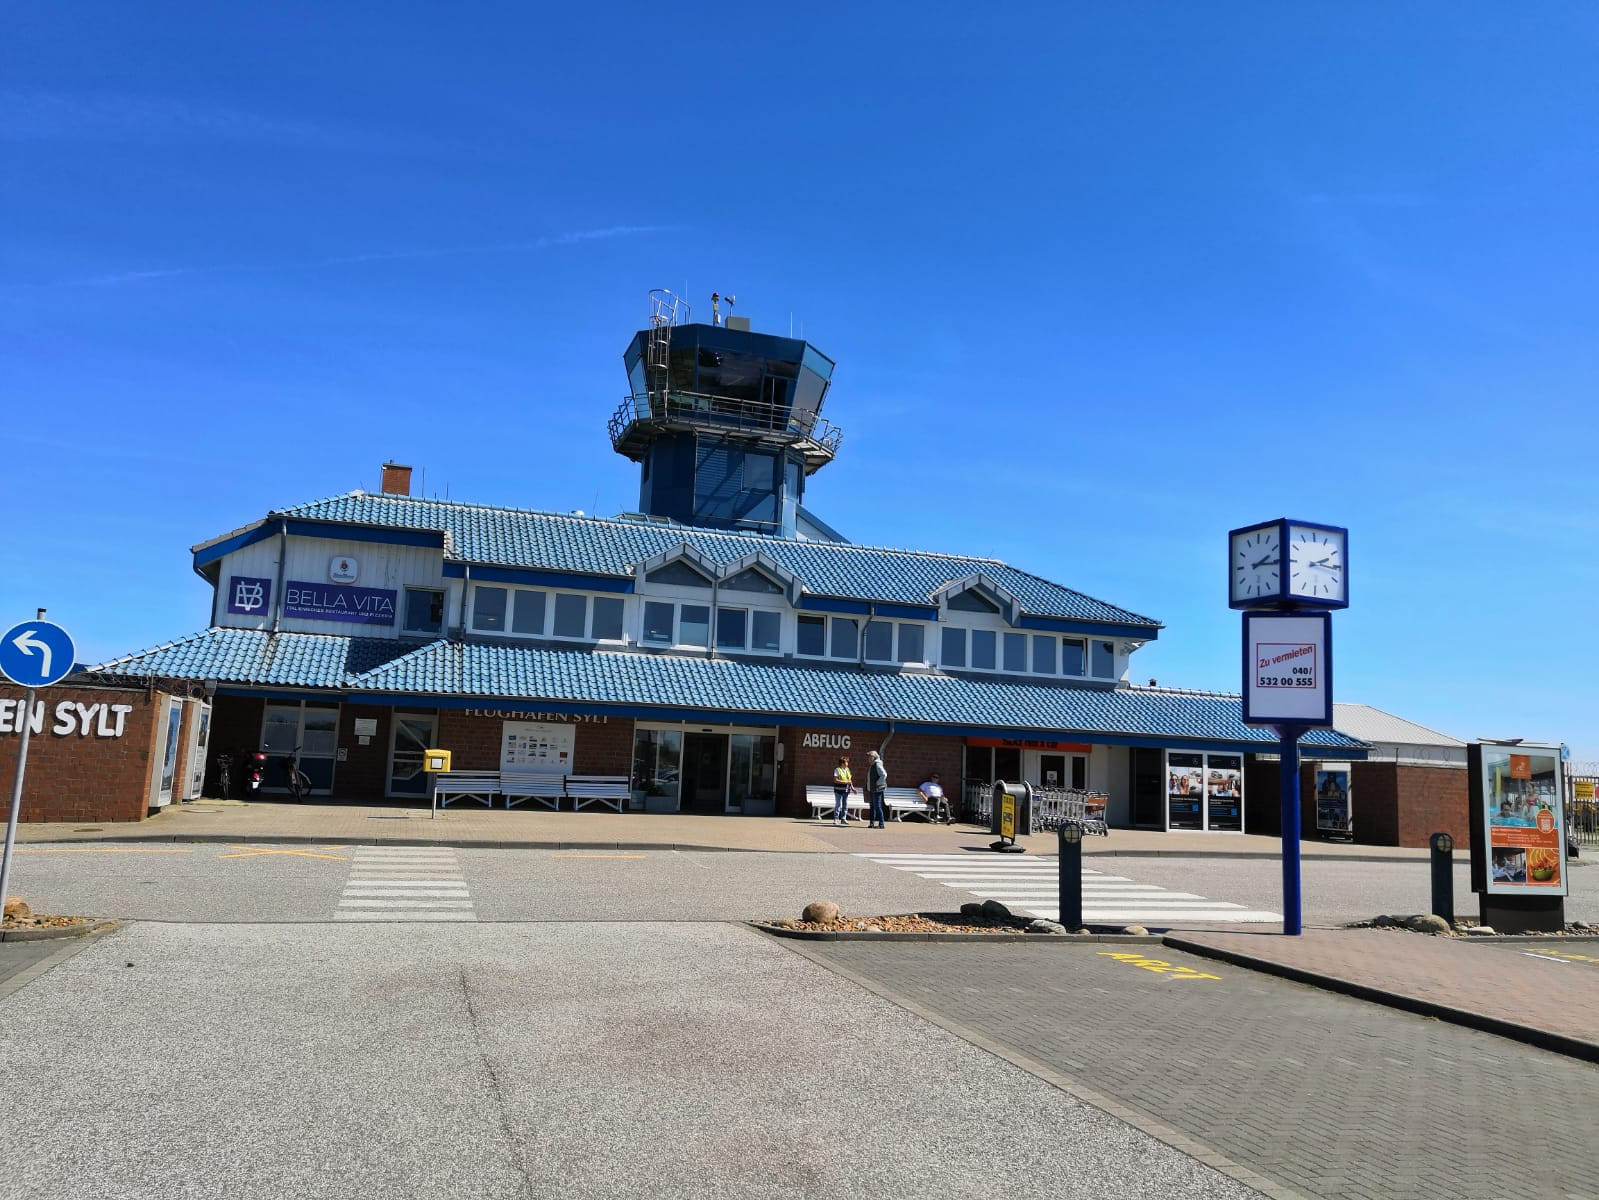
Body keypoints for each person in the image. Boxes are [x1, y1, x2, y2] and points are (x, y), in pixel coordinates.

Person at [865, 749, 888, 828]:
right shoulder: (872, 765)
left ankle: (881, 824)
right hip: (872, 788)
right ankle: (871, 823)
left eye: (869, 756)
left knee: (877, 806)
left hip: (877, 789)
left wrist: (877, 783)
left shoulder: (877, 764)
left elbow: (884, 775)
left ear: (874, 757)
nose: (868, 758)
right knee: (872, 806)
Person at [831, 755, 856, 826]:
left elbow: (849, 780)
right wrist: (845, 782)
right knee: (838, 804)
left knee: (845, 805)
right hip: (838, 790)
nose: (847, 763)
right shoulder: (837, 770)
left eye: (847, 762)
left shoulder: (848, 770)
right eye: (846, 762)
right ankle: (836, 819)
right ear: (842, 763)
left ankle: (843, 819)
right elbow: (835, 780)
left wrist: (852, 788)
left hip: (846, 791)